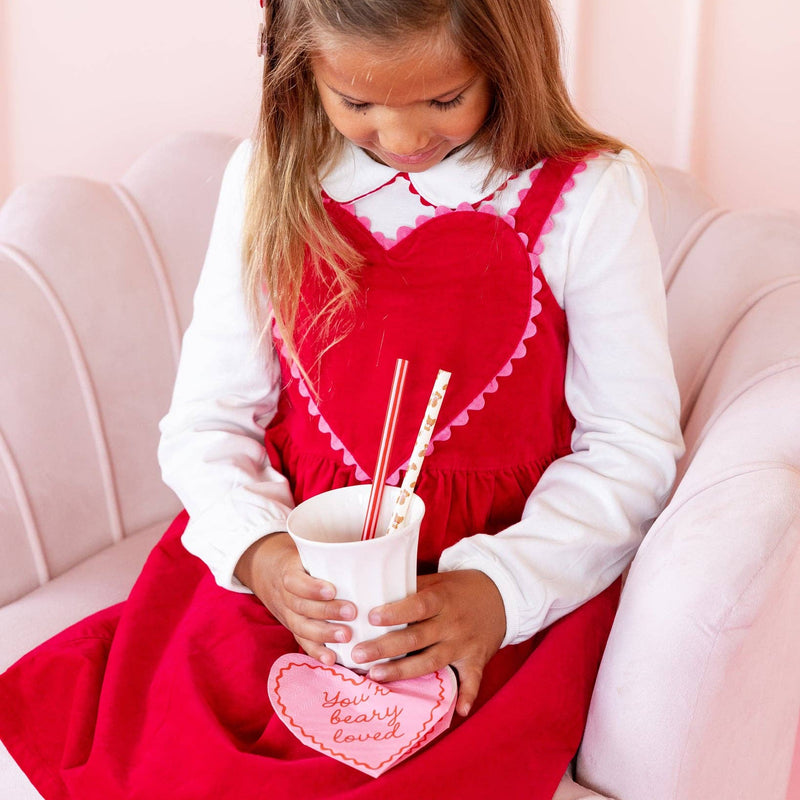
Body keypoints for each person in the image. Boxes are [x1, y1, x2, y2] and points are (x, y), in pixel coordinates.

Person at [0, 1, 684, 798]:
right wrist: (263, 556)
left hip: (476, 596)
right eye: (357, 104)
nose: (401, 140)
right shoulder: (268, 177)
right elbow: (208, 420)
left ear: (508, 58)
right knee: (176, 760)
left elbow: (631, 446)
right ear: (299, 70)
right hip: (298, 580)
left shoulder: (589, 196)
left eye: (443, 99)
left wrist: (499, 590)